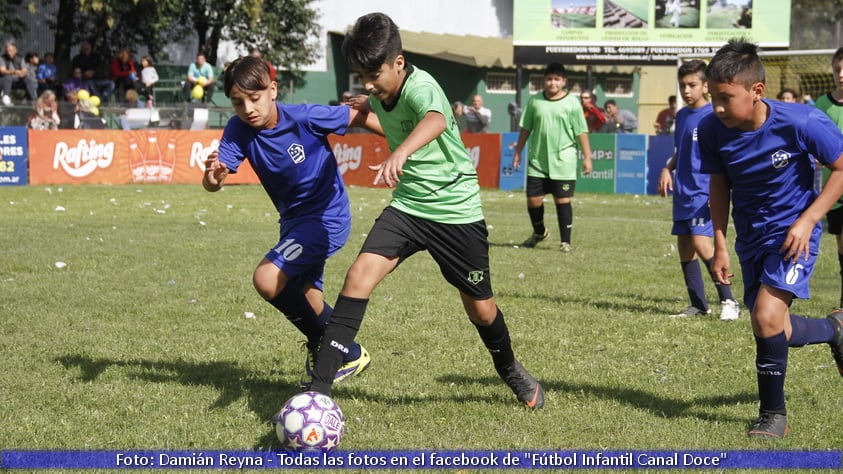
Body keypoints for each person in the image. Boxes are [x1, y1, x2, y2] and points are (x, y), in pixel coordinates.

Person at [304, 12, 544, 409]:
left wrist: (400, 152)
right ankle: (319, 390)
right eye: (360, 74)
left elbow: (433, 119)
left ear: (398, 63)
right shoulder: (382, 94)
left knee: (481, 310)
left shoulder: (422, 86)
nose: (367, 82)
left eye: (373, 74)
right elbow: (389, 120)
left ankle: (512, 371)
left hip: (455, 210)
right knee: (358, 277)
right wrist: (369, 108)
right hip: (410, 206)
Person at [203, 56, 382, 390]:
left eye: (254, 98)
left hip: (327, 217)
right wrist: (212, 177)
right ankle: (350, 352)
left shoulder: (304, 116)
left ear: (272, 90)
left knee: (267, 278)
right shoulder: (238, 129)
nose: (248, 108)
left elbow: (356, 114)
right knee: (308, 298)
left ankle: (332, 348)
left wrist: (400, 142)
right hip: (293, 223)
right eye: (238, 102)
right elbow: (215, 182)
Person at [700, 38, 843, 439]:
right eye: (713, 97)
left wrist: (808, 220)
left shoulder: (802, 121)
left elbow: (841, 168)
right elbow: (719, 184)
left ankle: (773, 416)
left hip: (794, 237)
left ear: (757, 90)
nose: (717, 108)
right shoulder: (713, 129)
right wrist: (720, 244)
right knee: (774, 326)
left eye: (726, 98)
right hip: (750, 238)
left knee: (764, 318)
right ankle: (835, 330)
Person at [657, 60, 740, 321]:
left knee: (702, 244)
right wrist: (666, 168)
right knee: (684, 246)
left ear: (706, 86)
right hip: (683, 191)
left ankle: (729, 299)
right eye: (682, 85)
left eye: (692, 85)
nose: (686, 90)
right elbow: (681, 150)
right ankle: (698, 304)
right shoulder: (681, 116)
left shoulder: (714, 116)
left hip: (704, 191)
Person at [512, 62, 593, 253]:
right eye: (549, 79)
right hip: (538, 161)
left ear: (564, 81)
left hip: (563, 161)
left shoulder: (572, 103)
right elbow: (525, 128)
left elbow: (581, 131)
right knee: (533, 200)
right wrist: (518, 151)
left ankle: (566, 242)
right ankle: (539, 232)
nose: (552, 83)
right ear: (544, 81)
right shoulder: (534, 102)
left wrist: (587, 157)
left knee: (562, 200)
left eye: (557, 79)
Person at [815, 46, 843, 310]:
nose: (841, 74)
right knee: (841, 245)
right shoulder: (822, 105)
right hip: (833, 189)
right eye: (837, 70)